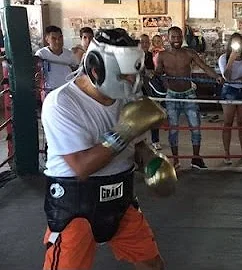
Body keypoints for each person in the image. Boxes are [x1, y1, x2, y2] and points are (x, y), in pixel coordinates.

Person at [41, 28, 176, 270]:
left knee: (152, 264)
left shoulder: (125, 98)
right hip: (75, 203)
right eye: (123, 76)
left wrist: (153, 162)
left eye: (133, 75)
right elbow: (82, 167)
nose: (131, 82)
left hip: (120, 200)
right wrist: (125, 130)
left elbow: (137, 144)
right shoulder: (61, 103)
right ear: (96, 70)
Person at [155, 26, 224, 169]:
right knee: (173, 129)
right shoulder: (162, 55)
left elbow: (204, 67)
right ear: (167, 38)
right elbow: (158, 73)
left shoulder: (189, 53)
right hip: (172, 96)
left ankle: (196, 159)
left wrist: (217, 76)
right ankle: (175, 160)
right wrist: (155, 74)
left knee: (195, 127)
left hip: (188, 94)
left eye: (179, 37)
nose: (176, 40)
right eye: (173, 37)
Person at [218, 33, 242, 165]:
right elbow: (226, 76)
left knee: (241, 123)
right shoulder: (224, 58)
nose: (237, 47)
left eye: (239, 44)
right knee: (227, 122)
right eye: (234, 44)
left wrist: (238, 79)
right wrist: (231, 60)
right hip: (229, 91)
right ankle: (227, 154)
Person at [35, 25, 77, 100]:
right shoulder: (41, 54)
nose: (58, 41)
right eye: (53, 38)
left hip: (68, 91)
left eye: (60, 38)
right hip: (50, 92)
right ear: (47, 39)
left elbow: (76, 71)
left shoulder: (70, 54)